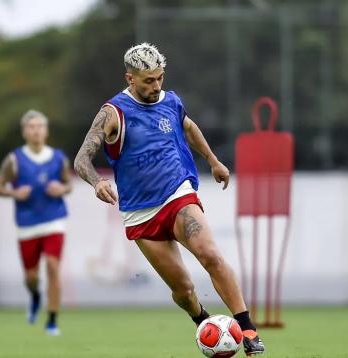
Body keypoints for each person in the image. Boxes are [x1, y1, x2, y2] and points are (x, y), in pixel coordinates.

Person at [73, 43, 265, 355]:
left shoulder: (171, 102)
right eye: (148, 80)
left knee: (211, 255)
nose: (156, 85)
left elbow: (188, 127)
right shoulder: (113, 113)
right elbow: (81, 159)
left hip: (178, 194)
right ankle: (205, 325)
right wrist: (96, 182)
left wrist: (214, 161)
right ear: (130, 78)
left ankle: (248, 330)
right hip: (140, 214)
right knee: (184, 289)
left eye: (160, 78)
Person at [0, 110, 72, 336]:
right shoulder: (14, 160)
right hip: (27, 224)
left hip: (54, 220)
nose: (36, 130)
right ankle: (35, 296)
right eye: (31, 127)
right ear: (24, 132)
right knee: (31, 276)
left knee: (53, 267)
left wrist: (61, 189)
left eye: (40, 126)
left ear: (46, 131)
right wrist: (14, 193)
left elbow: (69, 185)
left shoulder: (58, 158)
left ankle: (52, 320)